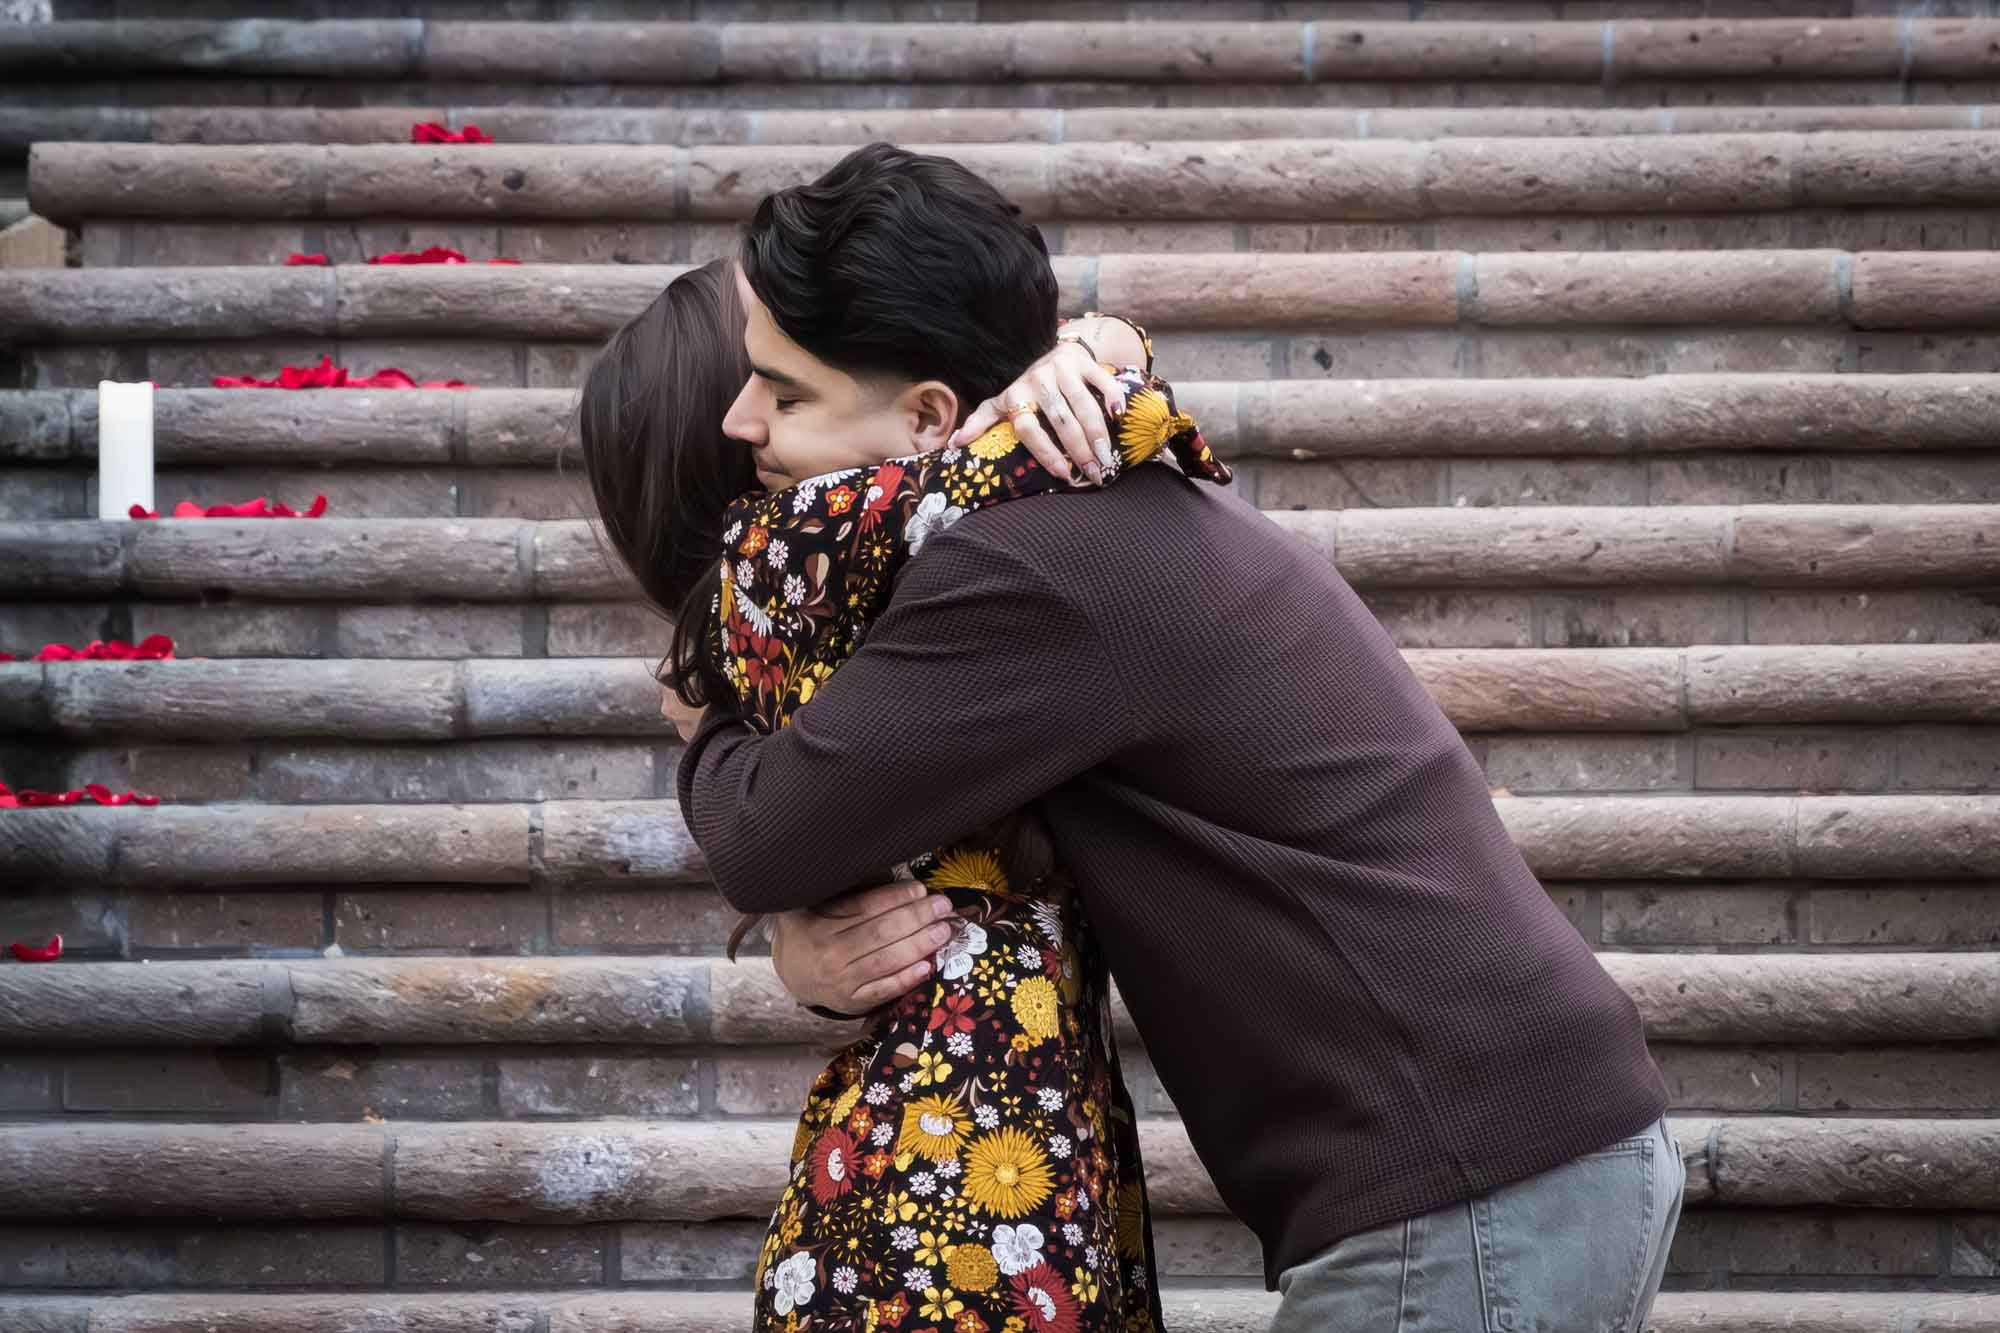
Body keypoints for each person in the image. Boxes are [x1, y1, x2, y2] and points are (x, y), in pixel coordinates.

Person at [666, 143, 1685, 1332]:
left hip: (1468, 1183)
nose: (742, 420)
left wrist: (701, 717)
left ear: (930, 415)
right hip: (1499, 1158)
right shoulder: (1085, 507)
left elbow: (768, 830)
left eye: (784, 393)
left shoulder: (1030, 565)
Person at [577, 216, 1216, 1329]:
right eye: (771, 387)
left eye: (784, 382)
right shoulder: (832, 554)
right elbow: (1082, 436)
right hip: (961, 1188)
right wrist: (1098, 355)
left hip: (974, 1167)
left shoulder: (847, 610)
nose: (763, 406)